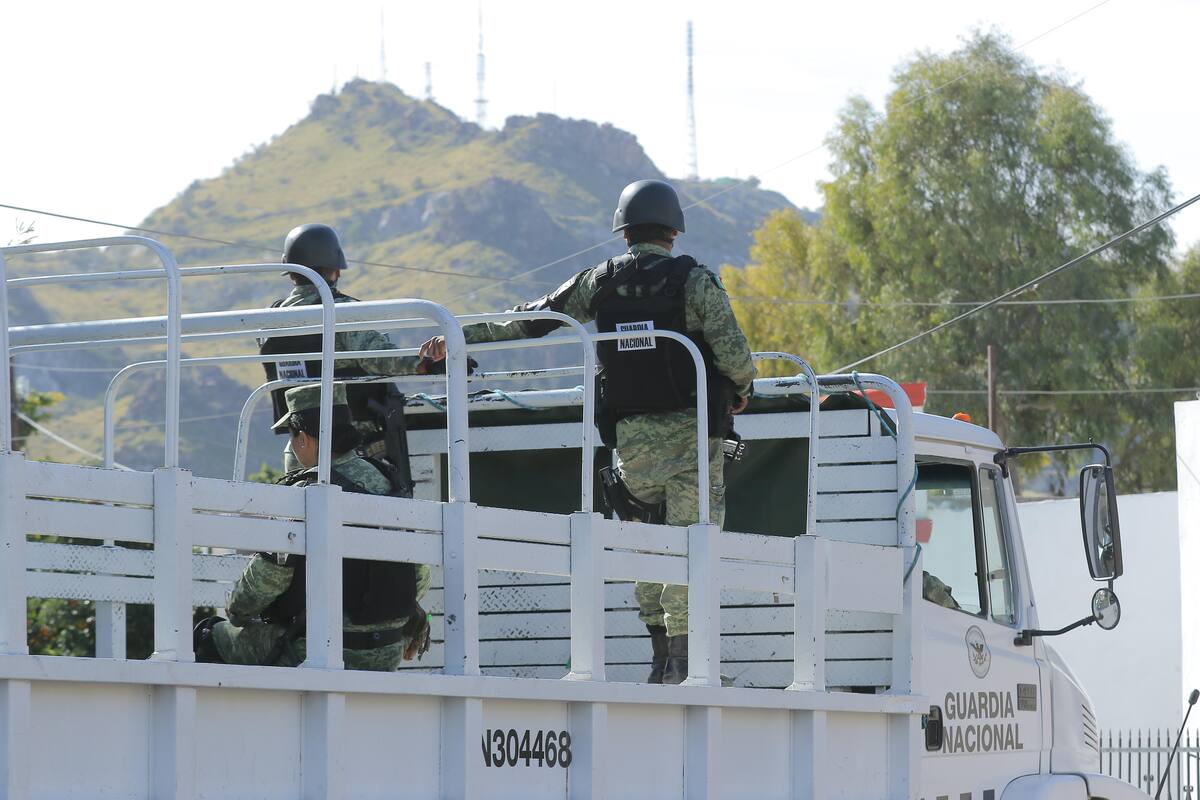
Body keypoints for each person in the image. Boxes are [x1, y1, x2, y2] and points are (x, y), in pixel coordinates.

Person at [419, 179, 756, 684]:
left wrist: (457, 334)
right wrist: (744, 387)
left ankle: (659, 661)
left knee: (647, 547)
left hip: (631, 444)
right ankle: (689, 669)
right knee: (695, 546)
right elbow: (735, 355)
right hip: (692, 439)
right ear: (673, 231)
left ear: (623, 232)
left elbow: (531, 320)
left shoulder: (599, 280)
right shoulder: (695, 281)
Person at [194, 384, 432, 669]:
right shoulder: (389, 482)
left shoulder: (304, 493)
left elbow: (266, 581)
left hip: (312, 648)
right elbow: (418, 574)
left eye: (293, 438)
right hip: (386, 650)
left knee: (209, 634)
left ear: (304, 438)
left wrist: (237, 612)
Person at [260, 223, 426, 475]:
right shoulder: (341, 311)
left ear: (291, 271)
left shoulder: (270, 320)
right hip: (350, 446)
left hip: (298, 448)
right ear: (335, 269)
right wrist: (426, 361)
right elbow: (380, 359)